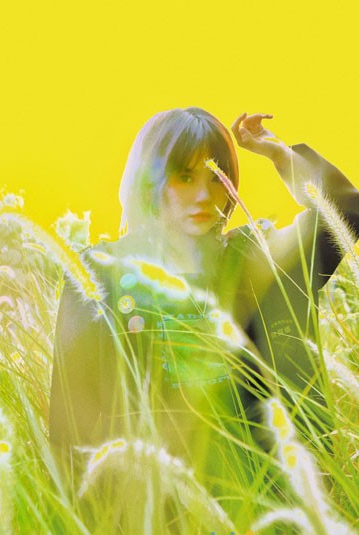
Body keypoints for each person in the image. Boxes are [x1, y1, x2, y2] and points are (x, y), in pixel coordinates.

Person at [49, 108, 359, 482]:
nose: (203, 195)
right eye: (184, 176)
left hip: (259, 493)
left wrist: (278, 153)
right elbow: (69, 423)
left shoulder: (253, 259)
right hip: (145, 499)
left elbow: (347, 212)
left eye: (216, 178)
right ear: (148, 181)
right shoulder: (101, 272)